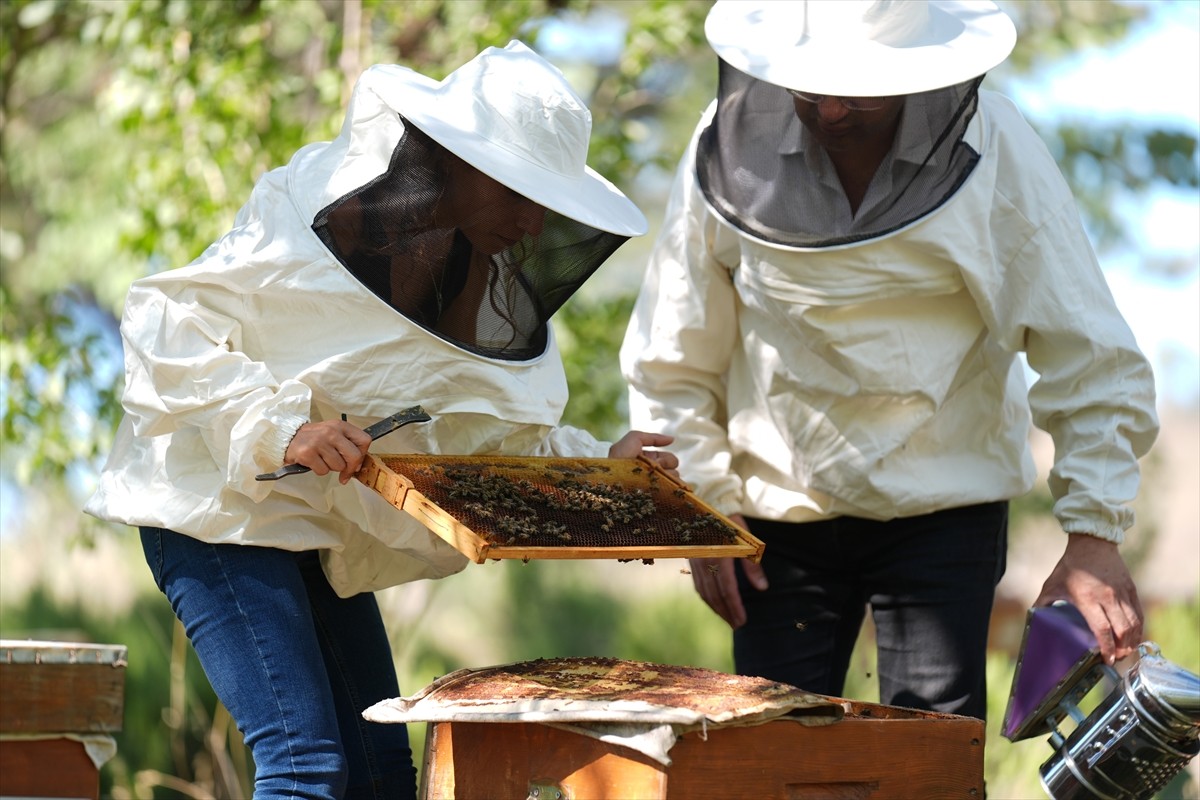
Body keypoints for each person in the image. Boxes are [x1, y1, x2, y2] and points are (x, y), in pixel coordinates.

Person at [86, 41, 676, 799]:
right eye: (519, 194)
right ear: (458, 163)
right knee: (305, 770)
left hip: (317, 529)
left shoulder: (473, 275)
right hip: (218, 515)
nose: (532, 223)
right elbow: (165, 319)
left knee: (381, 777)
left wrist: (604, 470)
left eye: (546, 204)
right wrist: (280, 428)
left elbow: (491, 437)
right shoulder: (314, 215)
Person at [620, 0, 1158, 721]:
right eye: (812, 86)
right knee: (775, 759)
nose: (833, 108)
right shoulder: (722, 147)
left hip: (943, 514)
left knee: (930, 762)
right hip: (775, 521)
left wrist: (1094, 535)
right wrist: (702, 510)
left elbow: (1087, 349)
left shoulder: (997, 148)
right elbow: (675, 351)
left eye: (858, 88)